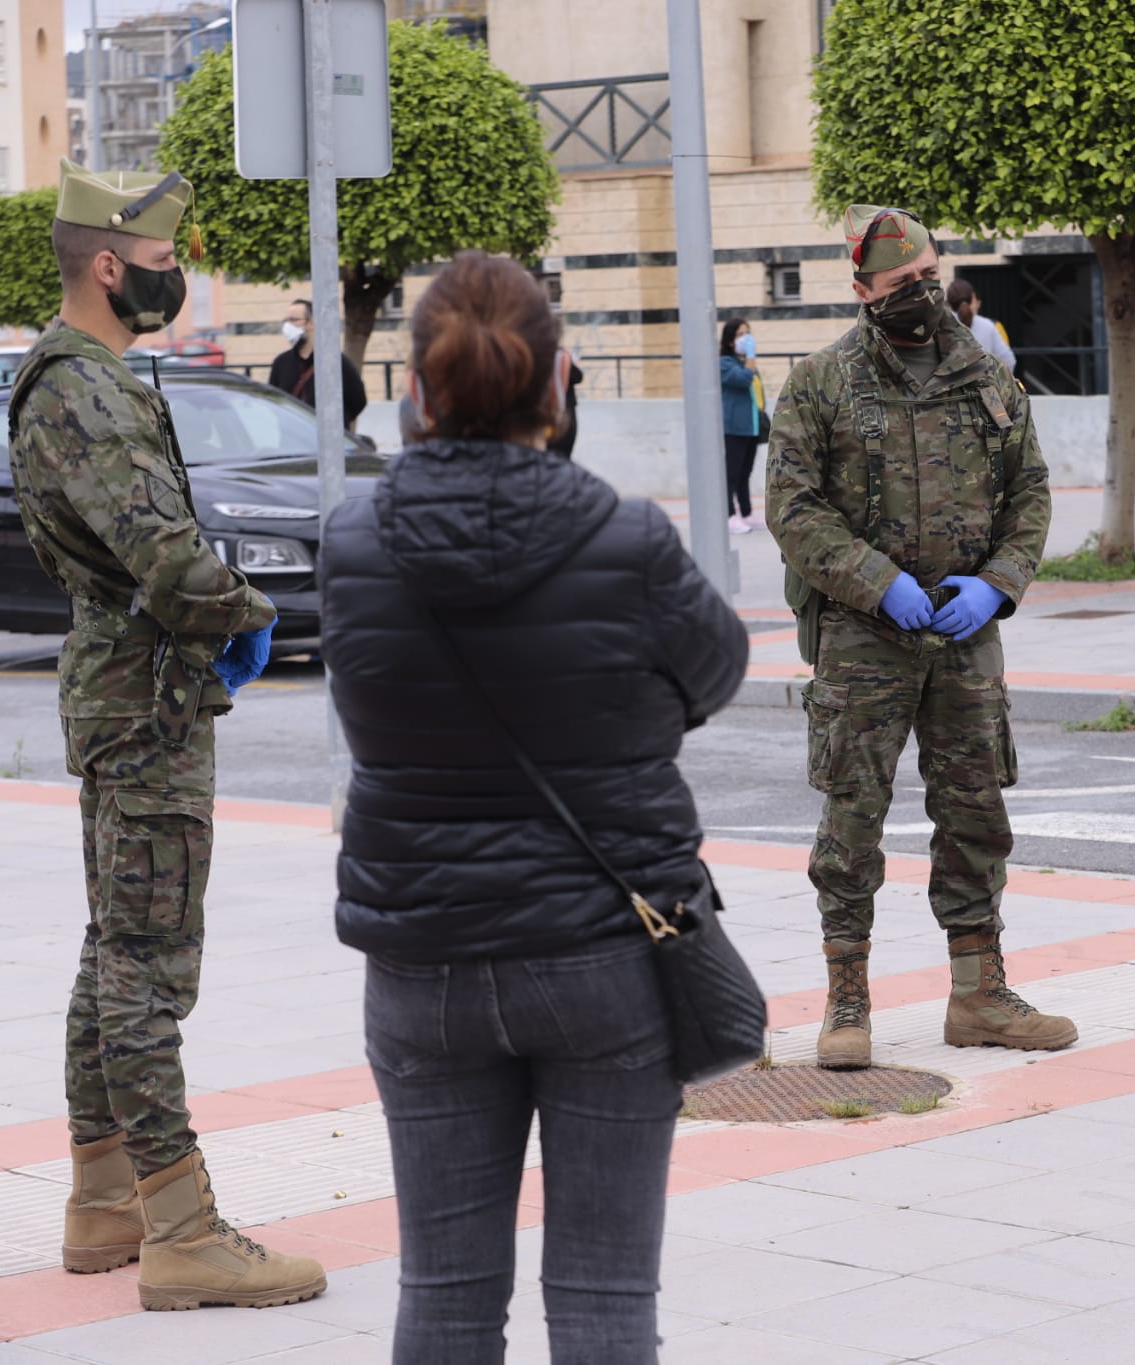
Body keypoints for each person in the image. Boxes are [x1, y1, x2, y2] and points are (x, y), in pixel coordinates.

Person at [320, 252, 750, 1362]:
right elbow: (713, 677)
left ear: (415, 392)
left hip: (420, 962)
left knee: (445, 1293)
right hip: (603, 954)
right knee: (606, 1298)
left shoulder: (353, 544)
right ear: (560, 382)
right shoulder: (630, 540)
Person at [6, 160, 320, 1311]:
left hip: (129, 686)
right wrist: (251, 612)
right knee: (148, 965)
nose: (172, 278)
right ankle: (183, 1228)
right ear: (106, 265)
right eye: (157, 263)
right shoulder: (82, 385)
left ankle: (105, 1203)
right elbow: (169, 556)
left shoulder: (83, 378)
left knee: (114, 950)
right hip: (147, 696)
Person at [767, 204, 1072, 1072]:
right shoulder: (823, 384)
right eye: (902, 284)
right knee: (854, 817)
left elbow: (1031, 493)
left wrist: (999, 585)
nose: (921, 294)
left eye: (931, 275)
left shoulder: (986, 376)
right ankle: (847, 1000)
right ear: (862, 290)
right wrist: (878, 583)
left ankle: (979, 992)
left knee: (976, 809)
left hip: (964, 635)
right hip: (864, 640)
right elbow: (792, 507)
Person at [266, 298, 368, 433]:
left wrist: (338, 422)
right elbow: (274, 401)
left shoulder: (336, 362)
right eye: (286, 321)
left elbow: (358, 400)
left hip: (328, 439)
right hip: (293, 440)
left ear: (311, 323)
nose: (288, 326)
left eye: (293, 320)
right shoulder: (281, 362)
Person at [720, 317, 763, 532]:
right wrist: (751, 357)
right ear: (730, 340)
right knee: (731, 473)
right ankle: (729, 515)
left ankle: (746, 512)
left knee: (745, 472)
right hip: (734, 426)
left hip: (750, 426)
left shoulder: (744, 362)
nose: (745, 339)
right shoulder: (725, 363)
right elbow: (743, 380)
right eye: (739, 335)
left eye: (747, 333)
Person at [946, 278, 1017, 372]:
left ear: (949, 304)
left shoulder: (941, 327)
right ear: (972, 299)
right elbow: (1009, 361)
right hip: (985, 384)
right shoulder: (988, 326)